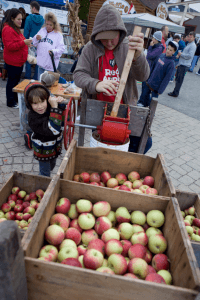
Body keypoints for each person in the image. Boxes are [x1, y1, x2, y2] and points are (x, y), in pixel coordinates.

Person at [73, 4, 150, 154]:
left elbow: (144, 76)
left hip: (125, 109)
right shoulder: (90, 48)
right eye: (104, 39)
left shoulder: (130, 46)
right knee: (103, 147)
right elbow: (78, 74)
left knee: (143, 142)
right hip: (99, 109)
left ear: (120, 32)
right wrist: (96, 84)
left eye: (112, 38)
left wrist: (138, 57)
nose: (108, 43)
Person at [24, 81, 66, 177]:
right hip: (43, 151)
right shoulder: (33, 118)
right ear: (29, 104)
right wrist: (55, 107)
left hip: (54, 147)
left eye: (42, 101)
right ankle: (43, 187)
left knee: (52, 165)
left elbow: (61, 115)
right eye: (35, 103)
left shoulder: (48, 106)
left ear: (47, 99)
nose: (40, 106)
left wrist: (60, 103)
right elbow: (53, 130)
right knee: (45, 173)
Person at [2, 8, 32, 108]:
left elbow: (21, 40)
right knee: (12, 82)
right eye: (18, 19)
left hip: (18, 61)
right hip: (13, 61)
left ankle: (14, 100)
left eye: (21, 19)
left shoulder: (15, 28)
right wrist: (24, 43)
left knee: (15, 82)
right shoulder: (8, 29)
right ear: (12, 18)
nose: (21, 21)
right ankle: (10, 102)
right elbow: (10, 46)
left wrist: (27, 42)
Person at [138, 41, 178, 108]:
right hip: (150, 81)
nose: (168, 51)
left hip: (157, 87)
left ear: (173, 52)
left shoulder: (171, 64)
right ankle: (143, 105)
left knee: (153, 102)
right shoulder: (161, 56)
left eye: (171, 50)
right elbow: (154, 67)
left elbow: (167, 78)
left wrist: (160, 90)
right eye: (168, 49)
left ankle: (151, 114)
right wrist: (149, 77)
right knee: (145, 95)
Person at [32, 12, 65, 80]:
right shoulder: (42, 30)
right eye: (47, 24)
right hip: (40, 65)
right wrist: (36, 38)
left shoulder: (58, 35)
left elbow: (61, 49)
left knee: (48, 87)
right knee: (40, 86)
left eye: (50, 25)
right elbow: (34, 43)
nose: (48, 26)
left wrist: (53, 51)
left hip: (50, 67)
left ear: (54, 25)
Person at [137, 31, 164, 107]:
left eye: (153, 38)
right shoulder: (157, 47)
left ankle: (143, 102)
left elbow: (150, 56)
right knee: (144, 86)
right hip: (149, 68)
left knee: (146, 87)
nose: (152, 39)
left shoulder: (158, 48)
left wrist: (150, 47)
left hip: (151, 70)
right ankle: (144, 102)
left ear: (156, 39)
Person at [168, 32, 196, 98]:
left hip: (185, 65)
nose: (189, 38)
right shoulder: (189, 44)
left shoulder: (193, 45)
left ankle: (175, 93)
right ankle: (175, 92)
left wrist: (181, 54)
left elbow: (190, 56)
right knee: (178, 79)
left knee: (179, 80)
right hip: (182, 64)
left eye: (191, 37)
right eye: (189, 36)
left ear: (194, 38)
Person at [24, 1, 44, 80]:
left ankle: (27, 78)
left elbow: (26, 31)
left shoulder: (29, 18)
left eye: (30, 8)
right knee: (38, 60)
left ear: (34, 8)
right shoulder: (43, 20)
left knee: (29, 59)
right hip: (39, 43)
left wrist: (25, 41)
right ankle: (36, 78)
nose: (30, 10)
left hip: (30, 41)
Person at [0, 9, 11, 80]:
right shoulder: (8, 23)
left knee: (6, 59)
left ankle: (4, 75)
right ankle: (6, 75)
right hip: (8, 42)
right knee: (9, 59)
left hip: (3, 42)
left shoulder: (2, 21)